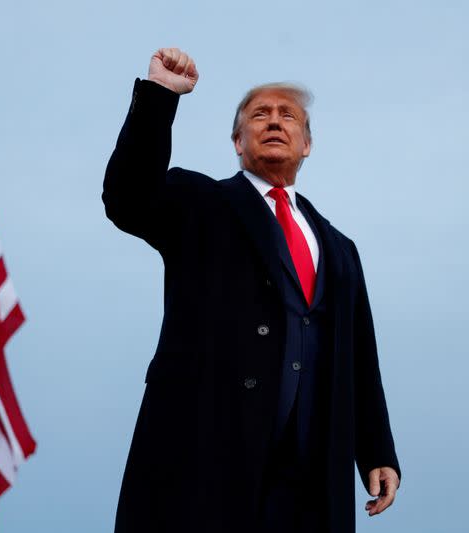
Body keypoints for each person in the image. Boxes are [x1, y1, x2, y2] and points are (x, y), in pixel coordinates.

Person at [103, 47, 401, 533]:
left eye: (288, 116)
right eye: (259, 115)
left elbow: (359, 357)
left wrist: (376, 449)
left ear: (307, 144)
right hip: (207, 454)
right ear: (237, 143)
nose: (274, 121)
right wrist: (160, 95)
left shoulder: (341, 248)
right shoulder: (200, 204)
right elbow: (126, 196)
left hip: (308, 474)